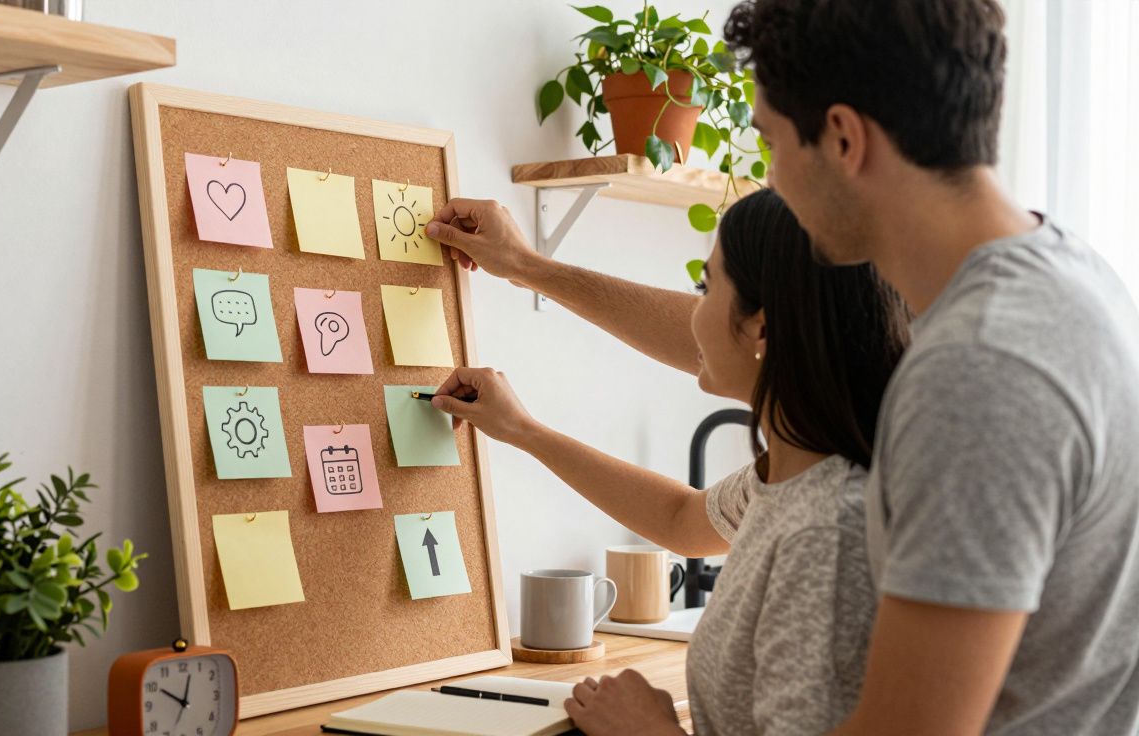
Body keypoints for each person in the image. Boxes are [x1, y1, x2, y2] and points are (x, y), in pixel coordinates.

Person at [431, 1, 1139, 733]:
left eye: (770, 143)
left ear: (841, 138)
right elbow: (745, 340)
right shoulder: (1058, 283)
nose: (771, 177)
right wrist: (529, 270)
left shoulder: (977, 374)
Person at [428, 189, 910, 734]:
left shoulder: (827, 532)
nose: (691, 315)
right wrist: (523, 430)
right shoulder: (787, 481)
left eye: (704, 290)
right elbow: (681, 519)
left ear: (763, 327)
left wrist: (650, 730)